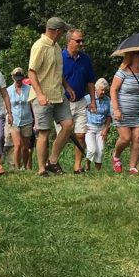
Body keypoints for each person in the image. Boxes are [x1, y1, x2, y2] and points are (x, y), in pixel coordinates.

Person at [28, 16, 77, 176]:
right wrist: (40, 95)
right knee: (44, 132)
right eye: (63, 31)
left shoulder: (56, 47)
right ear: (56, 31)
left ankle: (52, 160)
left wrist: (67, 86)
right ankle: (42, 169)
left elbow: (57, 71)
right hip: (43, 96)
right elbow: (32, 72)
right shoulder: (39, 46)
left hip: (58, 94)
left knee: (68, 125)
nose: (63, 34)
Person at [110, 50, 139, 175]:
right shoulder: (123, 72)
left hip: (137, 110)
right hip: (122, 109)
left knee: (137, 138)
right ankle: (116, 155)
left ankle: (132, 167)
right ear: (131, 55)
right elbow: (113, 90)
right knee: (125, 138)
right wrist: (116, 109)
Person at [61, 28, 96, 173]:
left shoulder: (85, 59)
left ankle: (77, 165)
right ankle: (53, 162)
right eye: (78, 41)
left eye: (83, 40)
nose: (81, 43)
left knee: (81, 134)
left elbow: (90, 82)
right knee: (61, 137)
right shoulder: (59, 57)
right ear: (69, 41)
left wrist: (93, 100)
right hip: (63, 102)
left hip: (81, 101)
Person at [7, 67, 34, 170]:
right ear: (13, 77)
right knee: (17, 145)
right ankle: (17, 168)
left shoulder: (29, 89)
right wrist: (8, 115)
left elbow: (32, 105)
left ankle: (25, 166)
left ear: (22, 77)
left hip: (27, 120)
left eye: (19, 77)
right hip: (14, 120)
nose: (18, 80)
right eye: (16, 77)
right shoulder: (8, 90)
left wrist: (35, 122)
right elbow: (6, 105)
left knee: (26, 147)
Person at [85, 77, 112, 171]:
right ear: (96, 89)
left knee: (100, 150)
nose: (103, 92)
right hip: (89, 127)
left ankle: (98, 171)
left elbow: (109, 115)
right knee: (91, 149)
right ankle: (87, 165)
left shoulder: (107, 100)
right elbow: (80, 112)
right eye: (102, 90)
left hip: (101, 128)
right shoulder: (88, 98)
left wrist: (106, 129)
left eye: (105, 90)